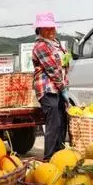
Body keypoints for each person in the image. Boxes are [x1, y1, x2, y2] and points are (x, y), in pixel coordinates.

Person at [31, 12, 71, 161]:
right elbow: (52, 70)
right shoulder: (40, 46)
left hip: (59, 88)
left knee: (62, 121)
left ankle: (60, 155)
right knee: (53, 122)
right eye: (46, 28)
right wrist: (63, 88)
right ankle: (49, 157)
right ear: (39, 30)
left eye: (52, 28)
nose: (50, 31)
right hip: (48, 89)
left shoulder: (57, 44)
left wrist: (64, 86)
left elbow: (63, 65)